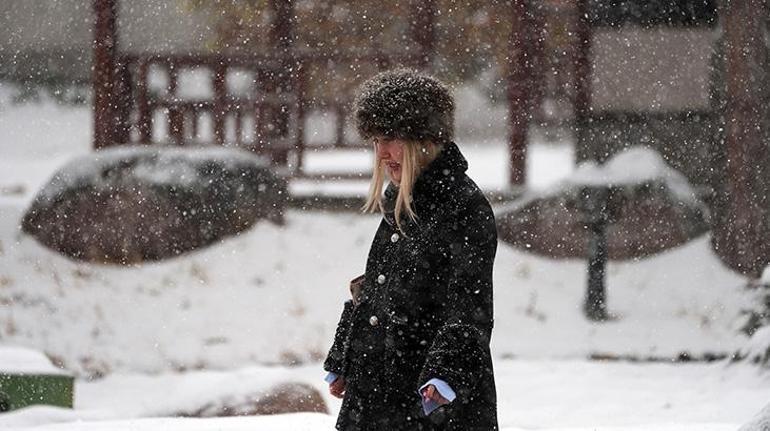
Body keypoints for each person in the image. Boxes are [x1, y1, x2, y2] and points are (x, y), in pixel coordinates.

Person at [323, 69, 498, 430]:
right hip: (376, 396)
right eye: (375, 140)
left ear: (426, 137)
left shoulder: (463, 207)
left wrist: (444, 377)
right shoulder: (399, 202)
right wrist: (345, 356)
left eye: (390, 138)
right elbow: (375, 291)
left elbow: (469, 308)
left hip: (429, 402)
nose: (382, 153)